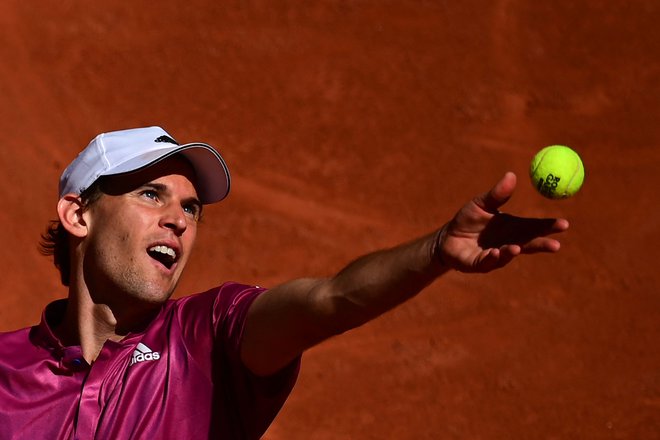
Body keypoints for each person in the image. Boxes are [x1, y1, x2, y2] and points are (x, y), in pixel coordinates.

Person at [0, 126, 568, 439]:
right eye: (152, 194)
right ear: (79, 215)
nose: (180, 219)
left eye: (192, 208)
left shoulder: (208, 339)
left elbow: (330, 300)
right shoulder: (6, 372)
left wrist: (435, 251)